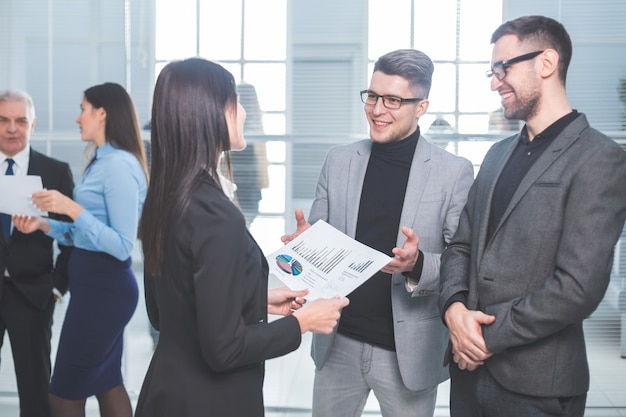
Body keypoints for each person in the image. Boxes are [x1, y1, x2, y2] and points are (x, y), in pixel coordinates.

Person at [134, 57, 349, 417]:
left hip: (166, 392)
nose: (245, 113)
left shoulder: (167, 197)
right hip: (211, 402)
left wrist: (254, 299)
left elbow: (164, 312)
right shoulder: (217, 216)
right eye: (236, 101)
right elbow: (225, 350)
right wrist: (303, 322)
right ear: (210, 113)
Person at [439, 15, 626, 417]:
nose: (494, 82)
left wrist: (483, 337)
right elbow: (461, 245)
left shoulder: (600, 159)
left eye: (503, 68)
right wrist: (454, 311)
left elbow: (578, 287)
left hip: (537, 388)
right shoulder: (496, 155)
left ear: (546, 63)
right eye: (492, 72)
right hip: (467, 375)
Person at [282, 49, 475, 417]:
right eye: (372, 96)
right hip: (338, 341)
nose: (376, 109)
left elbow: (459, 261)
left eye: (393, 100)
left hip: (407, 352)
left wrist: (417, 264)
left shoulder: (454, 172)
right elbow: (322, 246)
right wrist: (306, 243)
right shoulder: (339, 161)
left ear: (422, 106)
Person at [13, 82, 148, 417]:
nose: (77, 118)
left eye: (83, 108)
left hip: (105, 293)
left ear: (102, 113)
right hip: (95, 292)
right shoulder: (100, 162)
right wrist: (45, 225)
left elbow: (121, 245)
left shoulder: (118, 166)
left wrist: (71, 207)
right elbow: (85, 235)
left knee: (62, 395)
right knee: (107, 383)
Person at [0, 89, 74, 417]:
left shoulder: (55, 172)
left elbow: (73, 237)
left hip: (33, 295)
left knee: (35, 391)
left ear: (33, 124)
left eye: (20, 120)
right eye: (3, 120)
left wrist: (57, 288)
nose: (11, 128)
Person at [230, 82, 269, 225]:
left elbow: (261, 159)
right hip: (240, 182)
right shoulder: (233, 128)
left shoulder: (256, 125)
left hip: (250, 184)